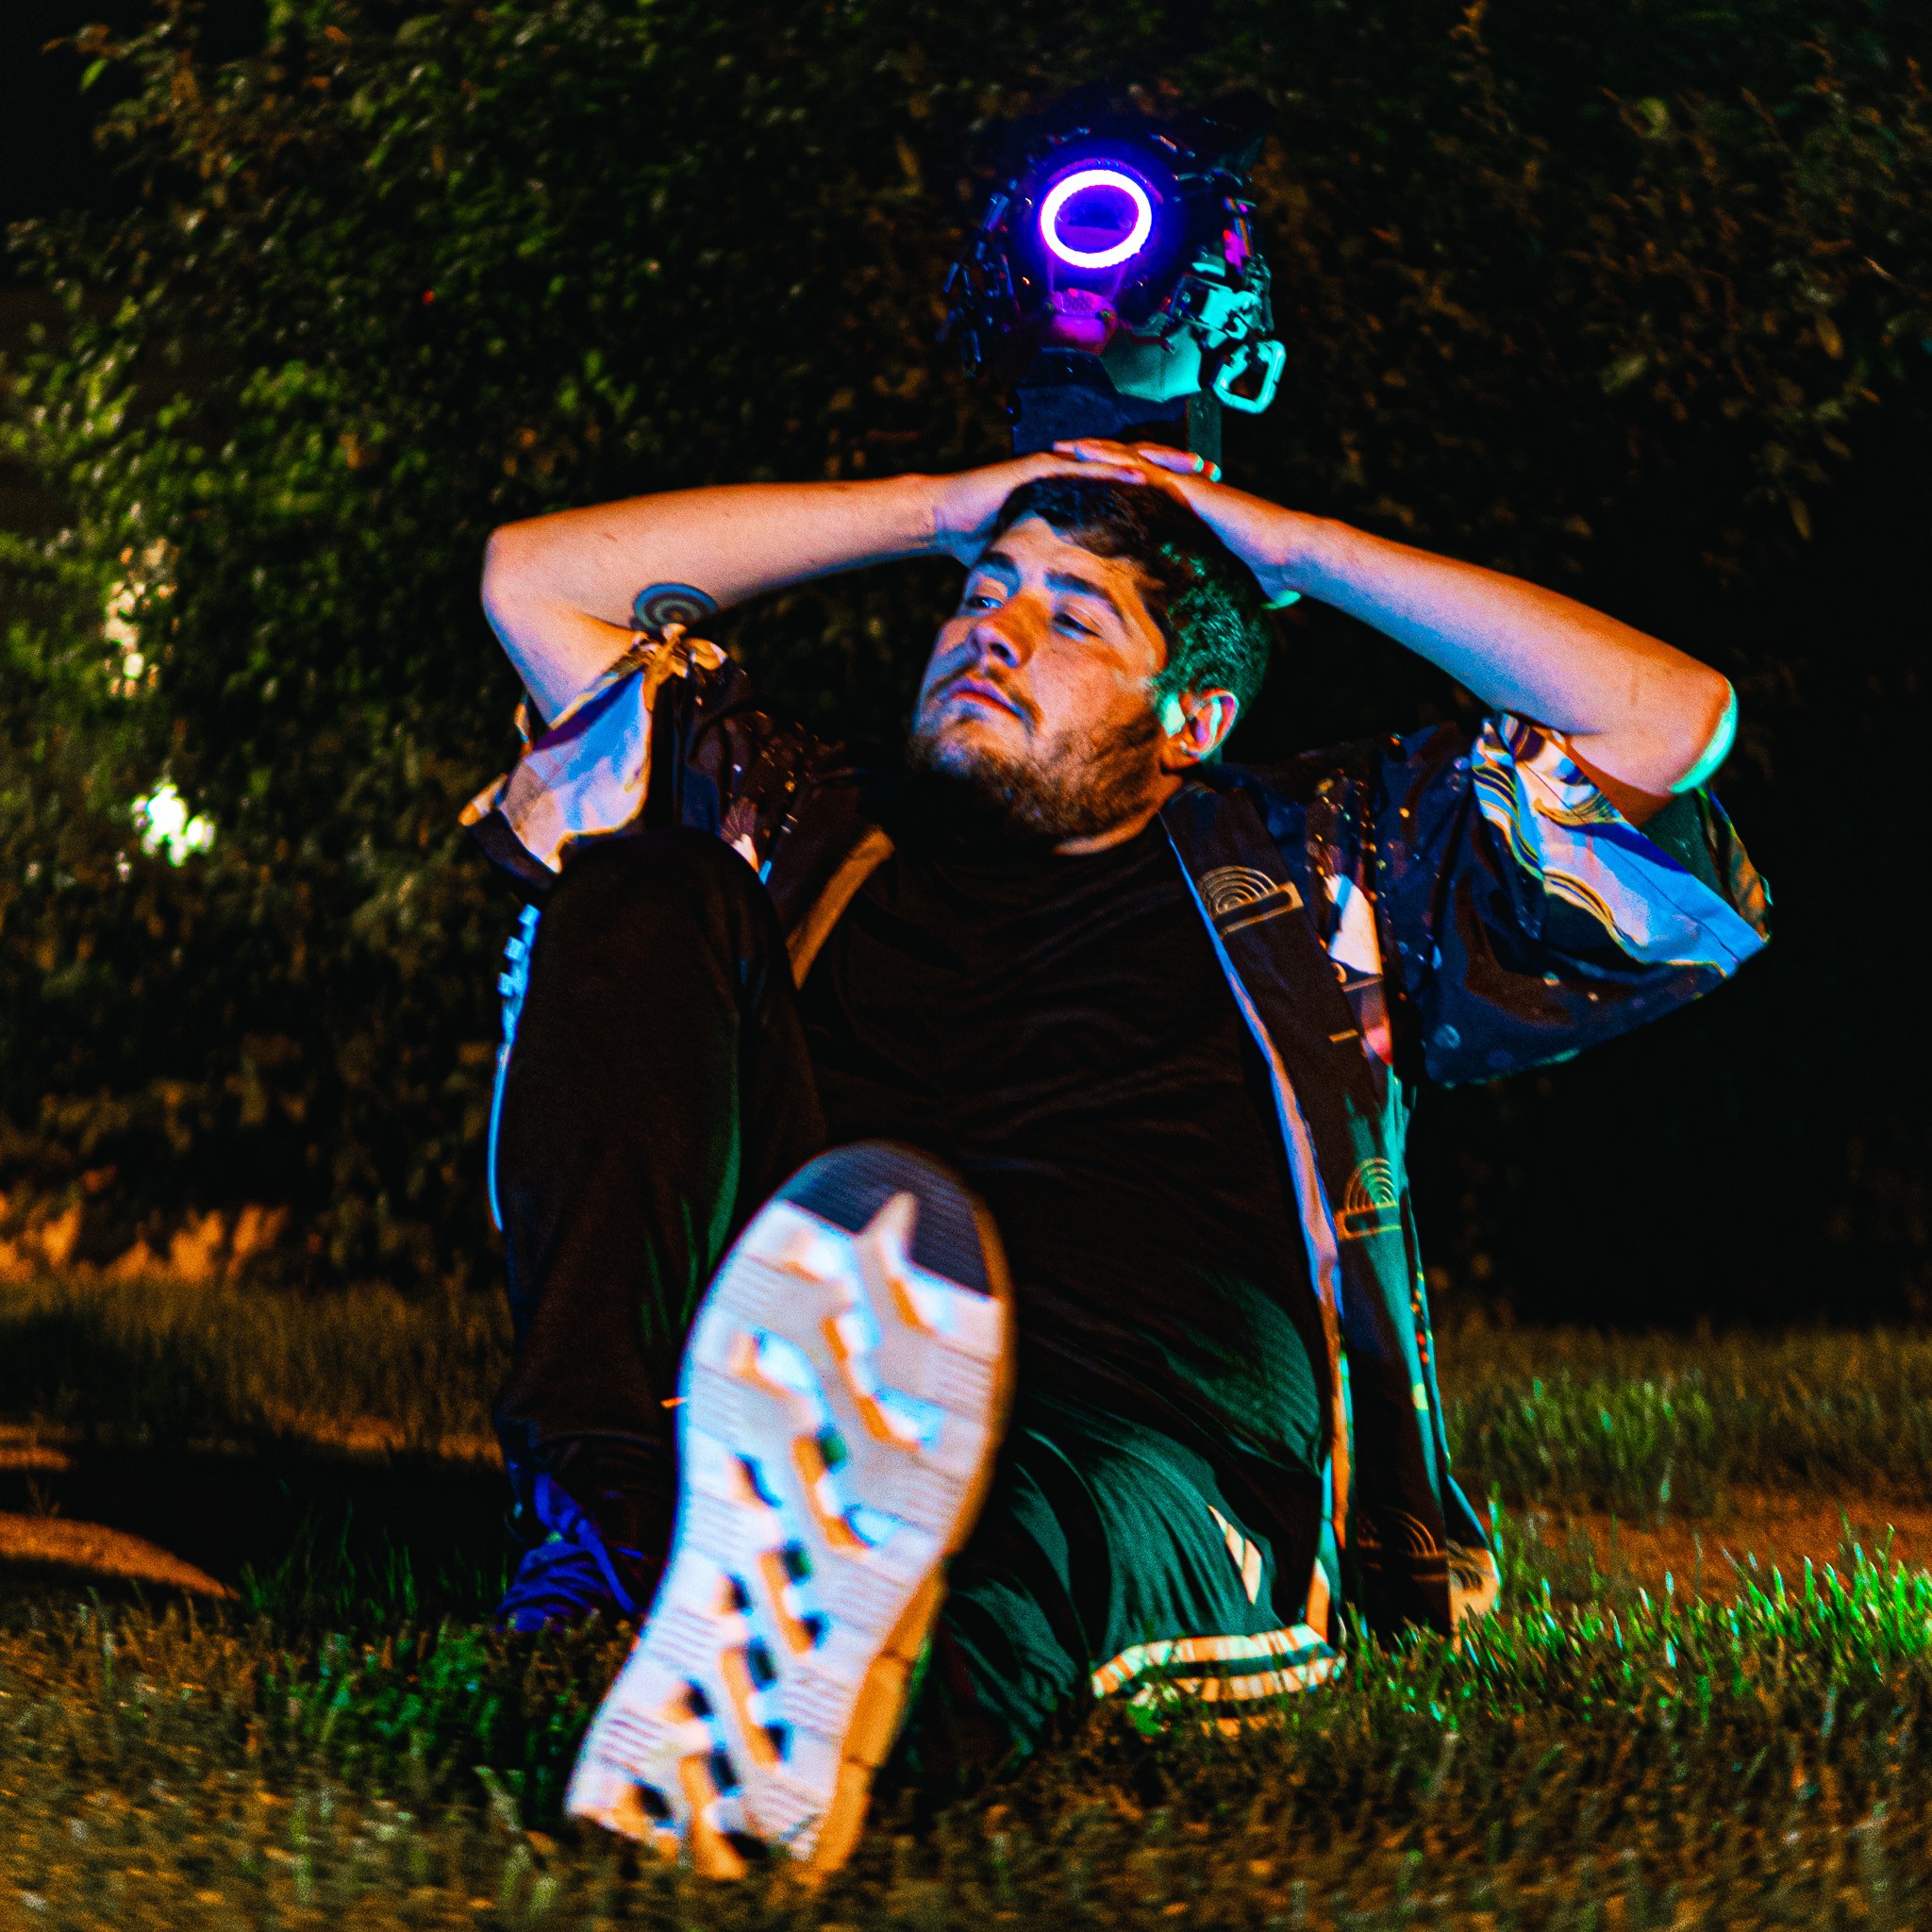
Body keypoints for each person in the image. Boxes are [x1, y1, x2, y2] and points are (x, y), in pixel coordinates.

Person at [462, 440, 1768, 1875]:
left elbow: (1665, 718)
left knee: (1024, 1532)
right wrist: (943, 510)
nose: (993, 632)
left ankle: (816, 1715)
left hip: (1146, 1424)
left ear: (1193, 717)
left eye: (1074, 618)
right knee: (640, 885)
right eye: (982, 596)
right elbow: (538, 580)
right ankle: (612, 1522)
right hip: (839, 1378)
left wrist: (1293, 549)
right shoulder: (813, 826)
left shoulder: (1315, 861)